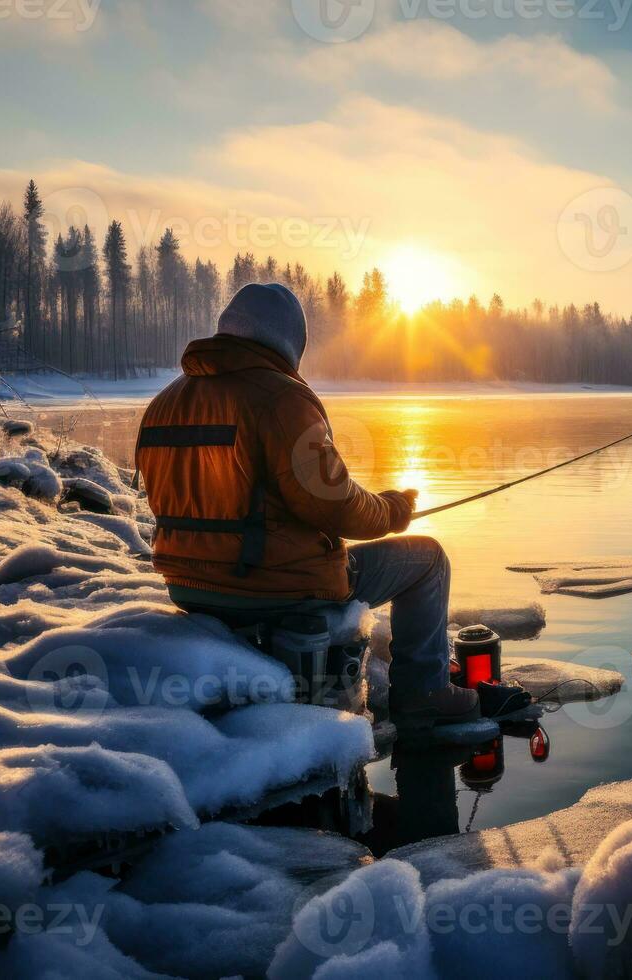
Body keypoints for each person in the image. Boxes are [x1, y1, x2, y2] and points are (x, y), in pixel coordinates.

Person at [134, 282, 479, 729]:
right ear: (289, 341)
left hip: (188, 585)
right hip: (274, 585)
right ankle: (424, 693)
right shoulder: (280, 398)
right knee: (428, 559)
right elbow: (334, 504)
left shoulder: (164, 402)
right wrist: (392, 510)